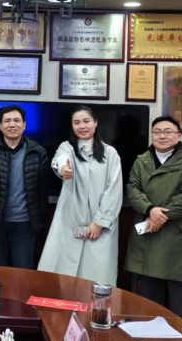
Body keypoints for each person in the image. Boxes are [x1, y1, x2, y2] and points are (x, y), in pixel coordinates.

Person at [124, 115, 182, 331]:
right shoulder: (142, 161)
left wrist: (160, 216)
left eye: (168, 131)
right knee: (147, 297)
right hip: (147, 234)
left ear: (178, 135)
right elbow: (132, 189)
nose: (162, 136)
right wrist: (150, 210)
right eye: (157, 132)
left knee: (181, 298)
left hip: (176, 236)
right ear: (152, 135)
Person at [38, 105, 123, 286]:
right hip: (70, 219)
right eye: (76, 122)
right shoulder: (67, 147)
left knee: (96, 279)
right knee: (61, 275)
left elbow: (114, 191)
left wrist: (99, 222)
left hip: (101, 225)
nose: (82, 126)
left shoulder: (110, 153)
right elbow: (60, 159)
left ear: (95, 123)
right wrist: (63, 169)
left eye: (86, 121)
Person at [0, 105, 49, 269]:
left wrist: (40, 219)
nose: (12, 124)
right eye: (7, 121)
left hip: (25, 223)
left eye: (16, 120)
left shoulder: (38, 151)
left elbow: (42, 189)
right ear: (0, 126)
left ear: (24, 125)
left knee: (23, 270)